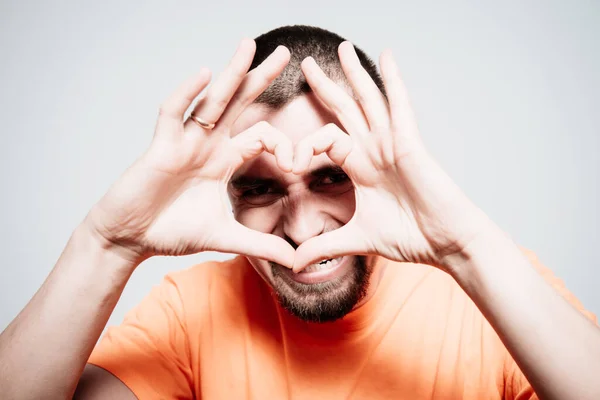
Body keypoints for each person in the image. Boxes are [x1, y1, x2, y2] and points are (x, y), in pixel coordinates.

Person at [0, 24, 598, 400]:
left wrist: (463, 247)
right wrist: (109, 244)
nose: (302, 228)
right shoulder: (192, 312)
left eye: (333, 177)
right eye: (259, 190)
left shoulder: (491, 289)